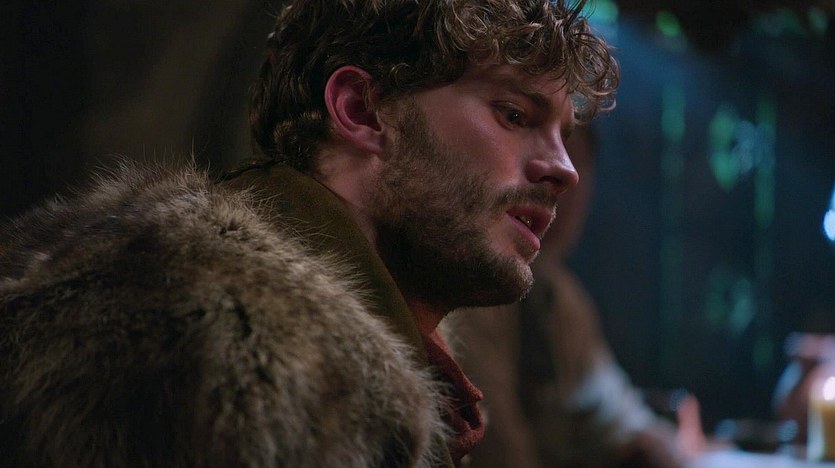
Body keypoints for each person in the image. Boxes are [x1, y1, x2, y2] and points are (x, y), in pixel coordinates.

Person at [0, 0, 618, 466]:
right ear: (361, 110)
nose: (564, 170)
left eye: (565, 136)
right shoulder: (208, 341)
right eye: (514, 114)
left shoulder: (352, 346)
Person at [453, 125, 706, 467]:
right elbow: (497, 450)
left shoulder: (559, 295)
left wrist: (665, 444)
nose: (567, 180)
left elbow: (614, 409)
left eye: (579, 163)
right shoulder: (471, 289)